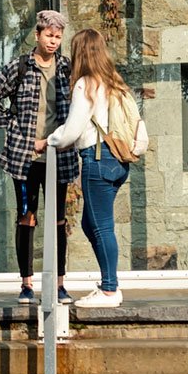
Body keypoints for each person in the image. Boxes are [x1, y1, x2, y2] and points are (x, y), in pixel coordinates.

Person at [47, 29, 147, 309]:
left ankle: (109, 290)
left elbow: (71, 132)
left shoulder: (86, 85)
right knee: (92, 224)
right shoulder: (114, 83)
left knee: (101, 227)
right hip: (118, 162)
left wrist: (49, 141)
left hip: (97, 159)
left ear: (80, 52)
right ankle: (108, 285)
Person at [0, 9, 77, 304]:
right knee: (27, 217)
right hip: (24, 158)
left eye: (58, 37)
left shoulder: (66, 68)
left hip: (58, 155)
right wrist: (12, 125)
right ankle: (26, 283)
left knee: (59, 220)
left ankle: (60, 284)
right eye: (49, 35)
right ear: (37, 35)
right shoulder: (19, 67)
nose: (53, 41)